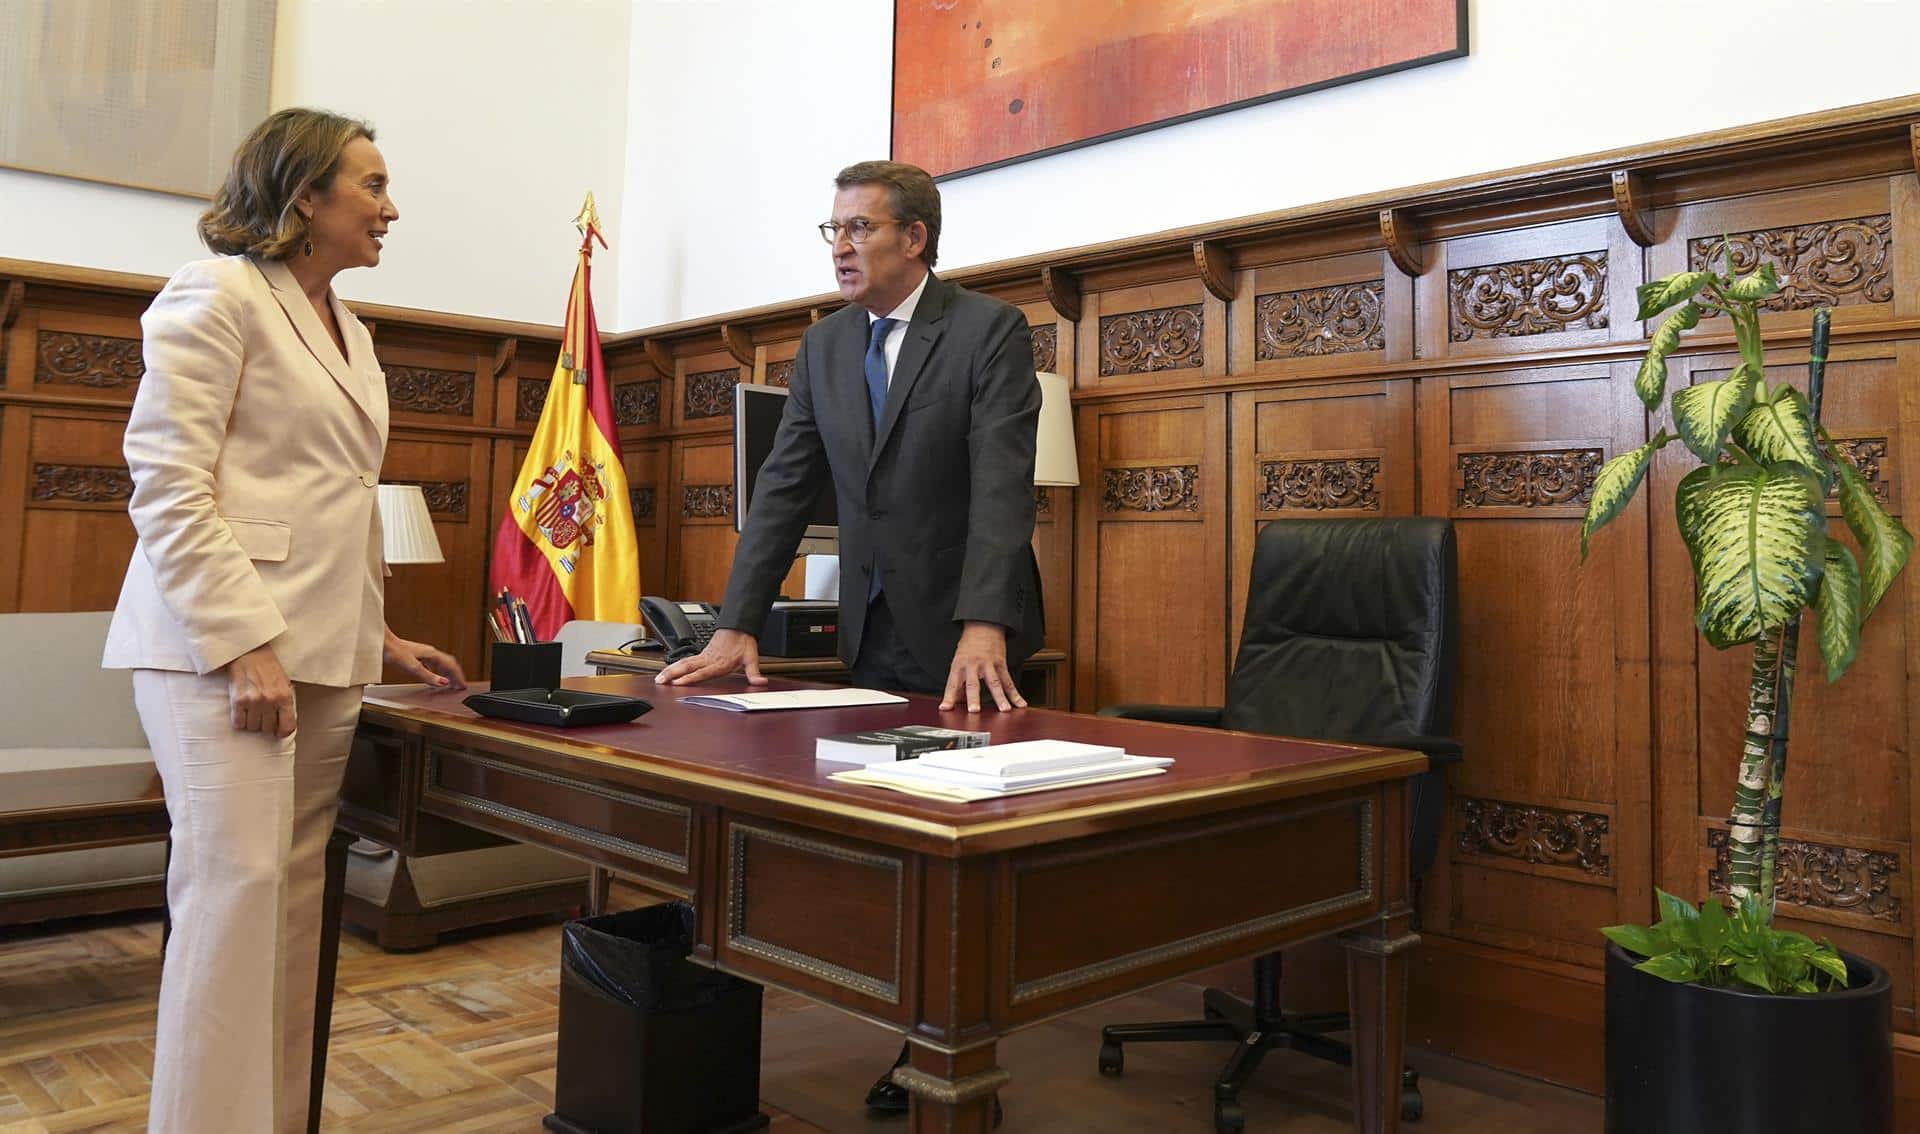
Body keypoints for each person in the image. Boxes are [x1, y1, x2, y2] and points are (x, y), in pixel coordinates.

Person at [101, 108, 467, 1134]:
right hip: (217, 657)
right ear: (307, 194)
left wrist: (378, 634)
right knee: (234, 900)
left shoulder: (351, 328)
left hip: (321, 656)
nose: (390, 208)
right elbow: (168, 483)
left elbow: (326, 497)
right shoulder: (216, 293)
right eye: (372, 185)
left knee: (292, 912)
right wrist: (242, 640)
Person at [656, 159, 1041, 1115]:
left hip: (966, 635)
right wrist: (738, 622)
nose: (840, 246)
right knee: (889, 836)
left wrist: (983, 621)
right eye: (831, 230)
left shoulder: (988, 330)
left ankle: (957, 1051)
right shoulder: (824, 348)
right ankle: (914, 1035)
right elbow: (784, 487)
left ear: (914, 238)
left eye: (859, 228)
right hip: (870, 631)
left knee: (957, 846)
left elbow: (1003, 485)